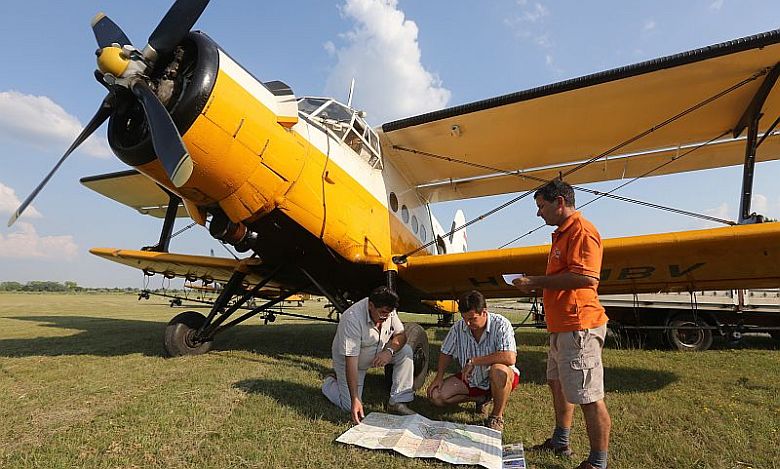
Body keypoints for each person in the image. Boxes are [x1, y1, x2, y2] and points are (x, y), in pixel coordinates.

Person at [513, 179, 611, 469]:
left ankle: (597, 462)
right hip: (562, 326)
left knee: (588, 395)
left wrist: (536, 281)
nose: (538, 213)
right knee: (558, 384)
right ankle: (561, 440)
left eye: (541, 207)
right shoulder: (562, 234)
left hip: (578, 326)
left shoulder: (581, 231)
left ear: (559, 202)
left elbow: (587, 278)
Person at [426, 290, 520, 432]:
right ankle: (481, 399)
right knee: (436, 396)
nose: (468, 323)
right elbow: (446, 352)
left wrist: (474, 361)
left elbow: (509, 357)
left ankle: (496, 416)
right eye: (464, 318)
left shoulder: (501, 324)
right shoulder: (458, 327)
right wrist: (439, 377)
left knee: (498, 370)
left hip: (499, 376)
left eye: (472, 318)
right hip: (472, 379)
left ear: (484, 312)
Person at [322, 286, 416, 424]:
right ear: (371, 305)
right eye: (382, 313)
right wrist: (355, 399)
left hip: (379, 351)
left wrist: (389, 352)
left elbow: (401, 335)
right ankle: (329, 383)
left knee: (406, 351)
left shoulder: (389, 310)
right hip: (353, 362)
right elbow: (351, 362)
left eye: (388, 314)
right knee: (349, 406)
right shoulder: (352, 319)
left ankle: (398, 401)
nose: (385, 317)